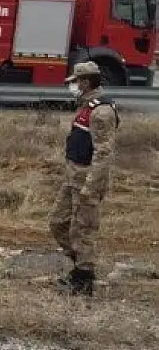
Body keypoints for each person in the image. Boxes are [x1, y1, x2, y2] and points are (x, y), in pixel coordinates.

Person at [50, 60, 119, 296]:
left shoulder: (101, 112)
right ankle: (79, 264)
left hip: (87, 179)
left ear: (86, 82)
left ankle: (83, 276)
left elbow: (104, 153)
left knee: (84, 230)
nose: (74, 86)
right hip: (73, 176)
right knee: (58, 223)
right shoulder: (87, 106)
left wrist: (91, 186)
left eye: (77, 81)